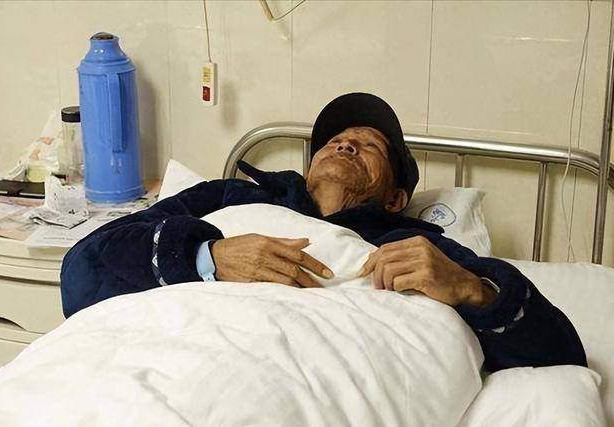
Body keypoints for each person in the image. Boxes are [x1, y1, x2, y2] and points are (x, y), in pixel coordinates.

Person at [61, 92, 586, 372]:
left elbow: (559, 353)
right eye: (335, 141)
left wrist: (472, 289)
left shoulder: (412, 244)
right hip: (165, 359)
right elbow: (81, 272)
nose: (345, 144)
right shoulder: (231, 198)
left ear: (396, 198)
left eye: (369, 146)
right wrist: (207, 257)